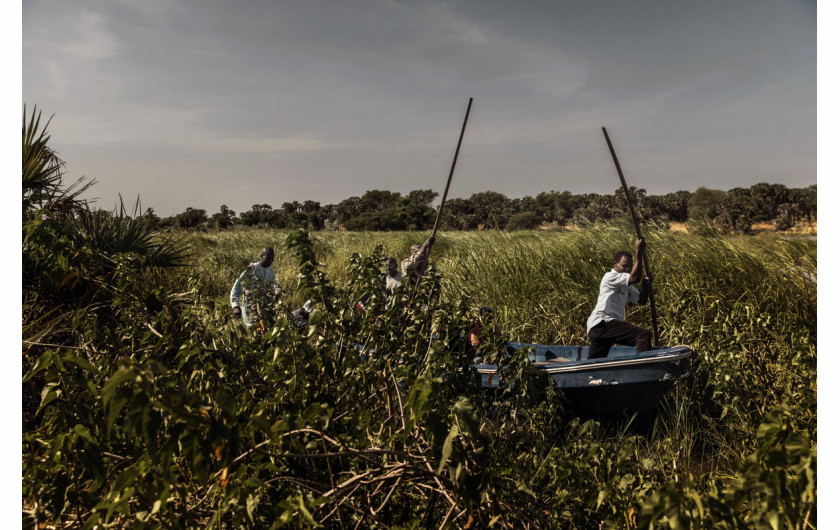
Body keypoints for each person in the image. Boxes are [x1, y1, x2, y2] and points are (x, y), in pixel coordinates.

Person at [585, 238, 651, 359]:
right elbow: (635, 278)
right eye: (624, 266)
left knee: (595, 362)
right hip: (602, 323)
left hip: (602, 329)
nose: (627, 269)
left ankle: (587, 375)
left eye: (630, 266)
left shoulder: (626, 284)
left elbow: (641, 301)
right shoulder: (610, 277)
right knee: (642, 335)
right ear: (615, 265)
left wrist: (645, 286)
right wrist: (638, 251)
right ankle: (644, 367)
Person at [230, 247, 281, 327]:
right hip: (250, 306)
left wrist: (276, 293)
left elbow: (272, 287)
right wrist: (235, 305)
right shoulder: (252, 269)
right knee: (252, 328)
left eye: (272, 259)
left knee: (265, 330)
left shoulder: (271, 271)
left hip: (264, 307)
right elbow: (237, 285)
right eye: (268, 258)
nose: (270, 261)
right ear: (261, 256)